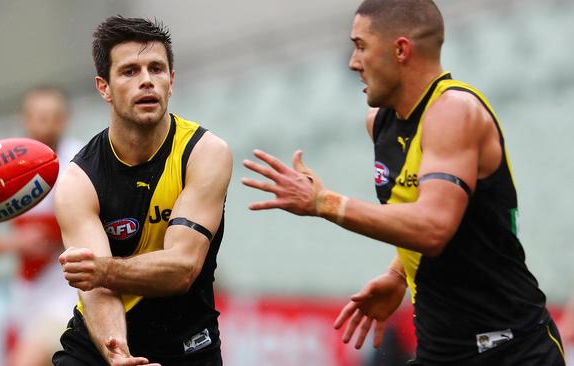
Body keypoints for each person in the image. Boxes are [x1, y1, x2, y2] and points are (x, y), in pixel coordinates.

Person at [241, 0, 565, 364]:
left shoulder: (453, 111)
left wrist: (325, 203)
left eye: (361, 45)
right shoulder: (379, 123)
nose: (353, 62)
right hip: (440, 351)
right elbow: (429, 212)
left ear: (400, 49)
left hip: (511, 351)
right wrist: (397, 275)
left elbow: (434, 228)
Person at [51, 16, 232, 366]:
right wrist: (116, 351)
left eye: (156, 69)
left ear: (172, 80)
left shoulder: (204, 152)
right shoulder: (79, 180)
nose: (146, 80)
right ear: (103, 87)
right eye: (130, 71)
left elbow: (182, 268)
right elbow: (95, 289)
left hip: (188, 346)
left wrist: (103, 269)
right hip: (100, 345)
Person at [0, 86, 82, 366]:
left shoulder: (80, 162)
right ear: (25, 118)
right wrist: (17, 242)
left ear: (65, 118)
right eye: (39, 116)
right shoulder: (5, 170)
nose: (46, 124)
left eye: (54, 116)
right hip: (29, 294)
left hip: (71, 292)